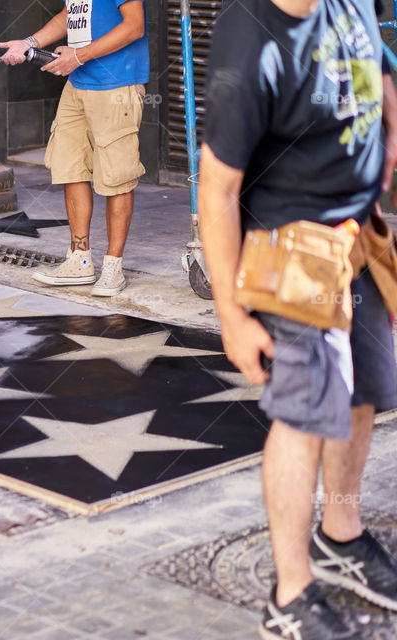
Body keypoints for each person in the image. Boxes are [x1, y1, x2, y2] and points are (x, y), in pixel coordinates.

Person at [198, 0, 397, 635]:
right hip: (288, 247)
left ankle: (340, 534)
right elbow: (217, 189)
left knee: (362, 395)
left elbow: (375, 69)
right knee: (307, 413)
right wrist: (231, 314)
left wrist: (387, 138)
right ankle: (289, 597)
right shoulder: (248, 37)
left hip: (356, 235)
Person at [0, 0, 148, 296]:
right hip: (78, 84)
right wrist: (29, 43)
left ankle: (113, 267)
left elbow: (134, 26)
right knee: (71, 166)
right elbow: (70, 16)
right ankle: (79, 259)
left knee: (117, 177)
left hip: (115, 85)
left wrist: (78, 56)